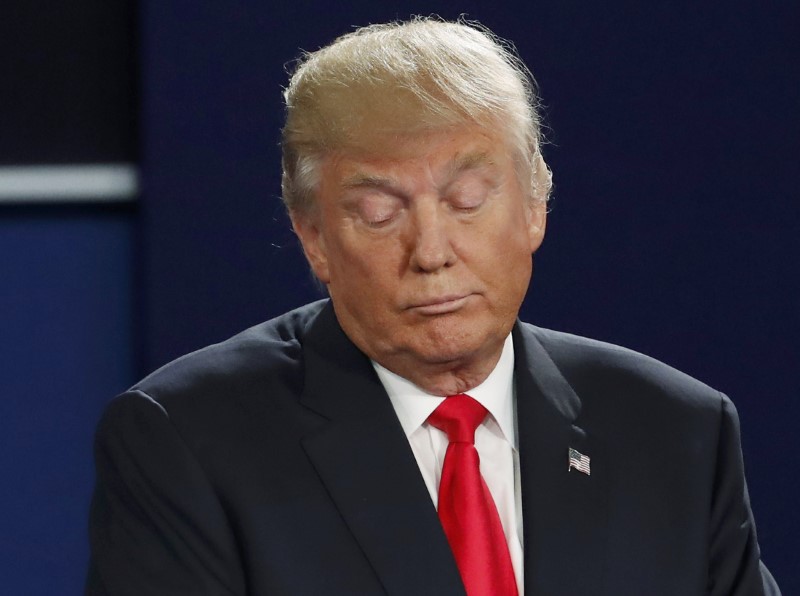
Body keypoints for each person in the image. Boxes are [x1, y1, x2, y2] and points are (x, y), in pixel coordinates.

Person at [86, 17, 780, 596]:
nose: (432, 251)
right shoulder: (187, 443)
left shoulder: (675, 431)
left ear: (536, 204)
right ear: (313, 236)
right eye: (380, 212)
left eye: (467, 202)